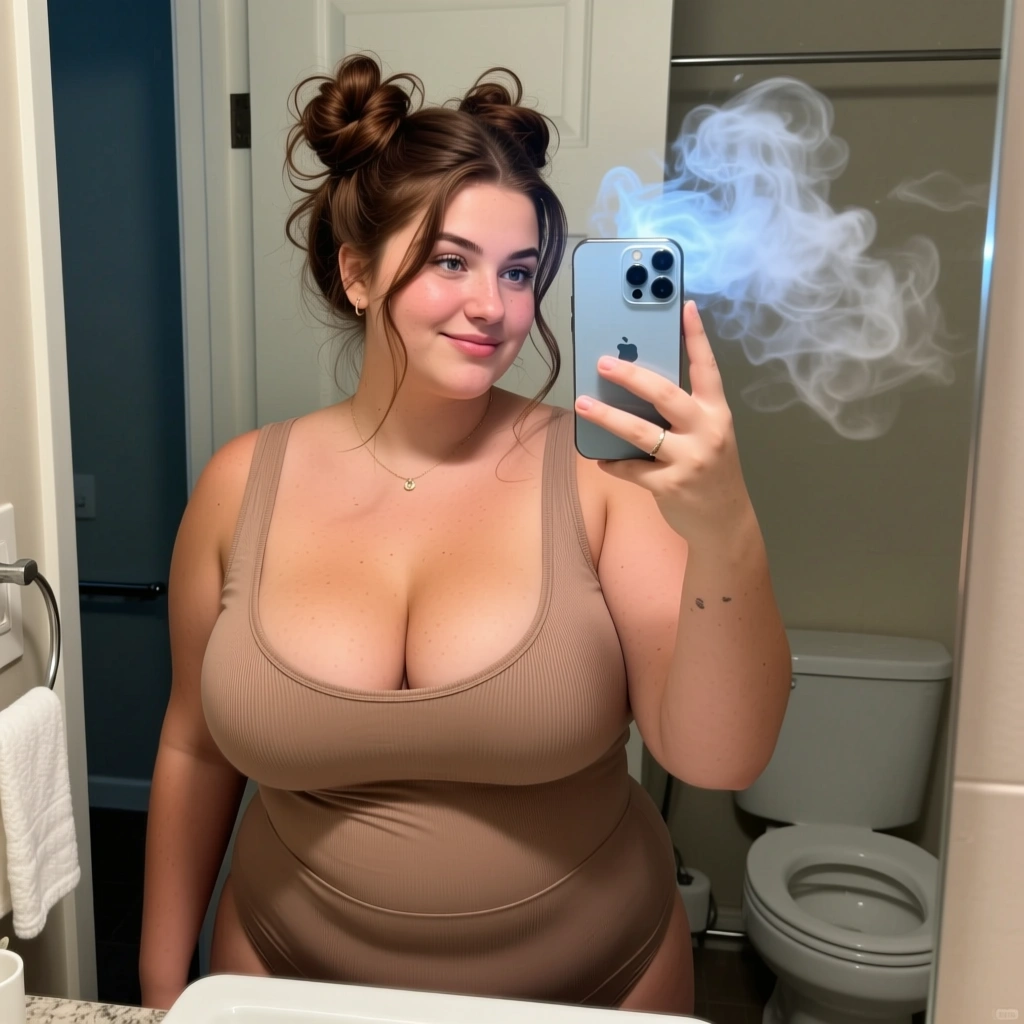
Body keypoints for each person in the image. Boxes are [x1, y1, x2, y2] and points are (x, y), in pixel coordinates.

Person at [139, 53, 791, 1014]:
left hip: (593, 986)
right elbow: (196, 746)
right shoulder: (241, 485)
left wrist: (727, 529)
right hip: (283, 977)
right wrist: (161, 982)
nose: (496, 307)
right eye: (451, 261)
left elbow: (718, 760)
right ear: (356, 274)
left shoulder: (605, 478)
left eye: (519, 272)